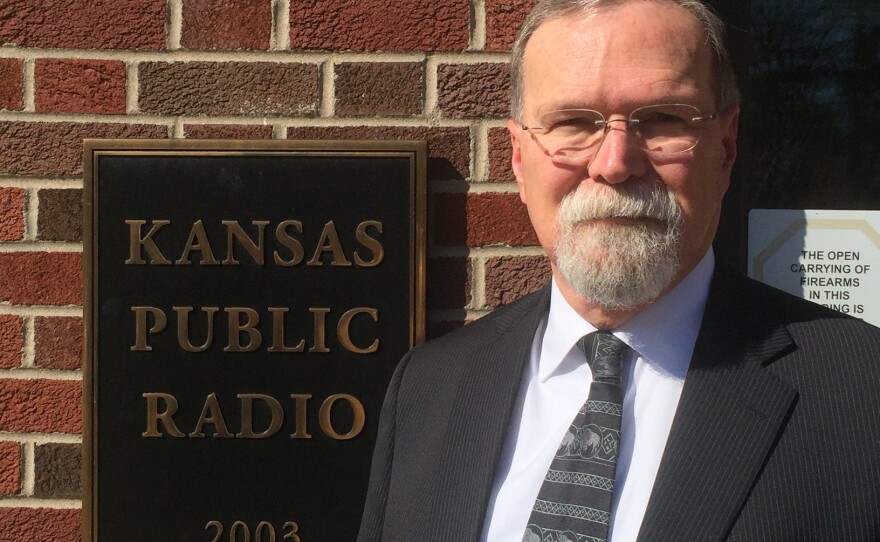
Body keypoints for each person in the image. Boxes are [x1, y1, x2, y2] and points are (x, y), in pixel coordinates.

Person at [357, 0, 880, 540]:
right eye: (572, 122)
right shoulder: (429, 387)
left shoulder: (861, 394)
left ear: (725, 148)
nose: (614, 163)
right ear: (518, 158)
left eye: (662, 119)